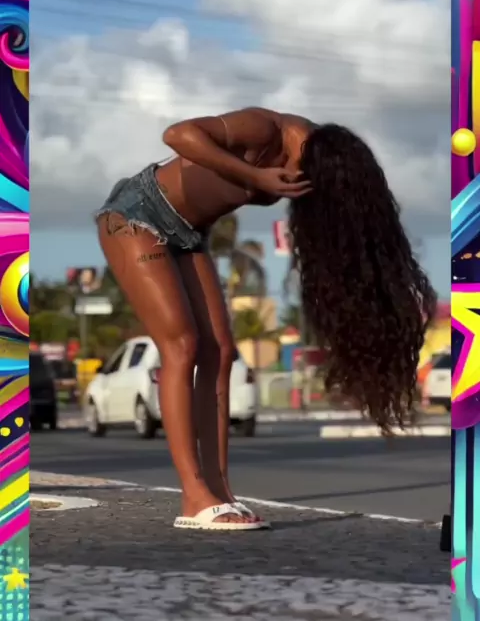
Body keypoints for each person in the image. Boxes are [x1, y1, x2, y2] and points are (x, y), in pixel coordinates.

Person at [96, 107, 436, 531]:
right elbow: (178, 135)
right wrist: (256, 176)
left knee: (221, 352)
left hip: (189, 233)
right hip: (136, 217)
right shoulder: (263, 129)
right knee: (182, 346)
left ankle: (219, 490)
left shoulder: (311, 164)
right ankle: (194, 495)